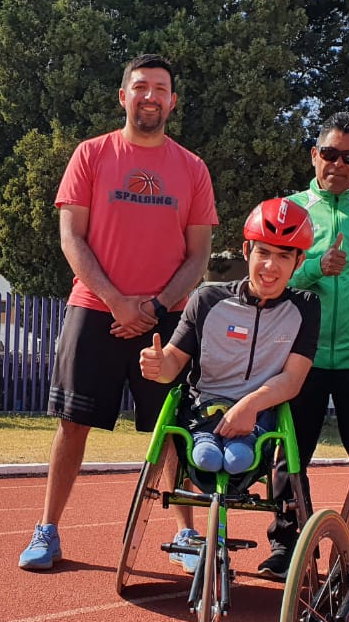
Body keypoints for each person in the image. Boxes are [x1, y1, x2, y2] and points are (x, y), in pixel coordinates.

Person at [19, 54, 218, 570]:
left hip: (166, 319)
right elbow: (72, 237)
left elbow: (198, 255)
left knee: (171, 428)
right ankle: (48, 530)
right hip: (94, 309)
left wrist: (151, 308)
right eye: (140, 87)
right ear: (123, 96)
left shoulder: (193, 169)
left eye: (160, 88)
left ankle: (188, 537)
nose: (149, 96)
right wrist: (116, 301)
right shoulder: (90, 155)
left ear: (172, 100)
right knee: (72, 424)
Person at [139, 198, 320, 562]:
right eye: (263, 253)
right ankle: (188, 533)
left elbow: (293, 379)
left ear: (299, 262)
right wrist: (159, 366)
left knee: (243, 458)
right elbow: (174, 362)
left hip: (261, 417)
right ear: (246, 250)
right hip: (202, 412)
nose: (270, 266)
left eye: (284, 256)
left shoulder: (306, 307)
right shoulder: (207, 299)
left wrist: (249, 406)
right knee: (190, 441)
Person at [263, 112, 349, 580]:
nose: (338, 163)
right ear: (314, 155)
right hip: (300, 355)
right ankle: (287, 547)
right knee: (288, 453)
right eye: (330, 154)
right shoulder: (289, 210)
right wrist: (317, 264)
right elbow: (269, 276)